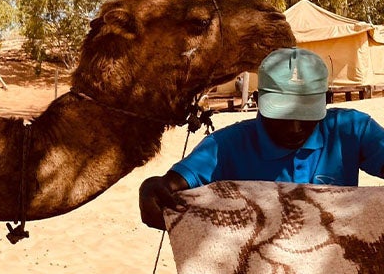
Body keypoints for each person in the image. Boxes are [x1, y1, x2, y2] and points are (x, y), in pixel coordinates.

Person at [139, 47, 384, 230]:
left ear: (326, 102)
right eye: (282, 116)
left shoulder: (352, 130)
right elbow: (168, 186)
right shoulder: (225, 147)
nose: (295, 129)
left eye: (306, 115)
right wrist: (151, 189)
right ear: (257, 101)